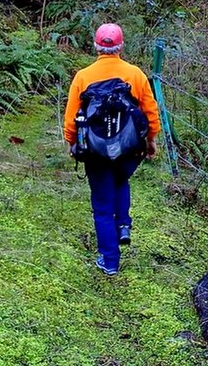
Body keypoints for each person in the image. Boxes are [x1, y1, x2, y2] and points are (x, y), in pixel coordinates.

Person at [63, 23, 161, 276]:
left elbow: (71, 117)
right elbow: (150, 112)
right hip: (130, 149)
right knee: (121, 181)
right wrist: (151, 140)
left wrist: (71, 142)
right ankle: (124, 226)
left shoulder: (83, 76)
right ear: (121, 46)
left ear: (96, 46)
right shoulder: (136, 74)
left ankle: (109, 261)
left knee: (102, 205)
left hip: (95, 152)